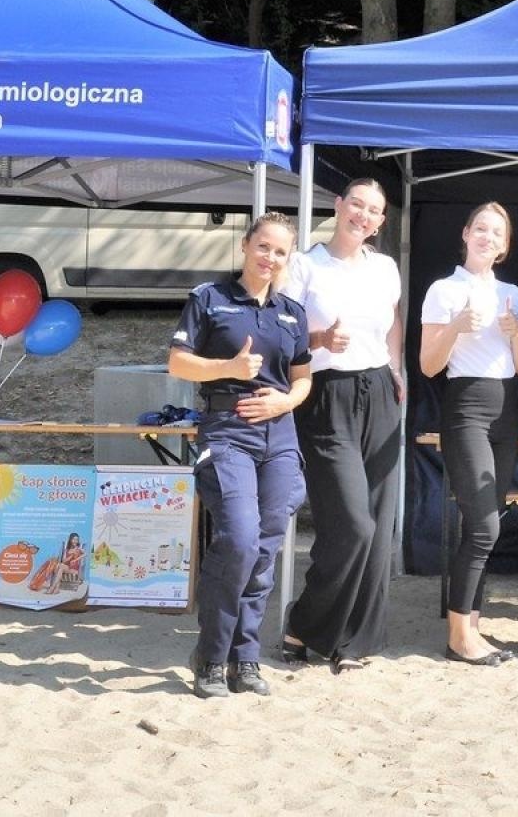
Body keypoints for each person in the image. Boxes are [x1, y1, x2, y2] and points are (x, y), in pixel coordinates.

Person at [169, 211, 312, 699]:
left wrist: (286, 400)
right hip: (227, 429)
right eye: (264, 246)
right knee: (240, 539)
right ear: (245, 246)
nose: (270, 258)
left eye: (280, 252)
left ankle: (244, 659)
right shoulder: (209, 299)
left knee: (267, 547)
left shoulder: (292, 311)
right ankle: (210, 657)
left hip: (280, 436)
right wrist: (227, 366)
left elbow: (303, 377)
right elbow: (177, 362)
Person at [279, 179, 405, 674]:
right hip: (326, 395)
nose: (364, 215)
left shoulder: (385, 267)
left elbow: (393, 321)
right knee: (352, 525)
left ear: (381, 221)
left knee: (377, 531)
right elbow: (282, 331)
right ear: (338, 205)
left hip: (378, 393)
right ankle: (304, 623)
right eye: (357, 204)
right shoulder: (305, 265)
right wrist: (321, 337)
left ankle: (352, 641)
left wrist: (396, 368)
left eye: (374, 210)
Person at [418, 201, 518, 665]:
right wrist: (456, 328)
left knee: (488, 523)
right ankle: (457, 636)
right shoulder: (444, 290)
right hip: (465, 407)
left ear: (504, 246)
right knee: (483, 525)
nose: (487, 237)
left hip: (507, 409)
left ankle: (473, 627)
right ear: (465, 234)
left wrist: (515, 334)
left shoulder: (511, 293)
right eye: (480, 228)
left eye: (497, 232)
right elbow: (429, 364)